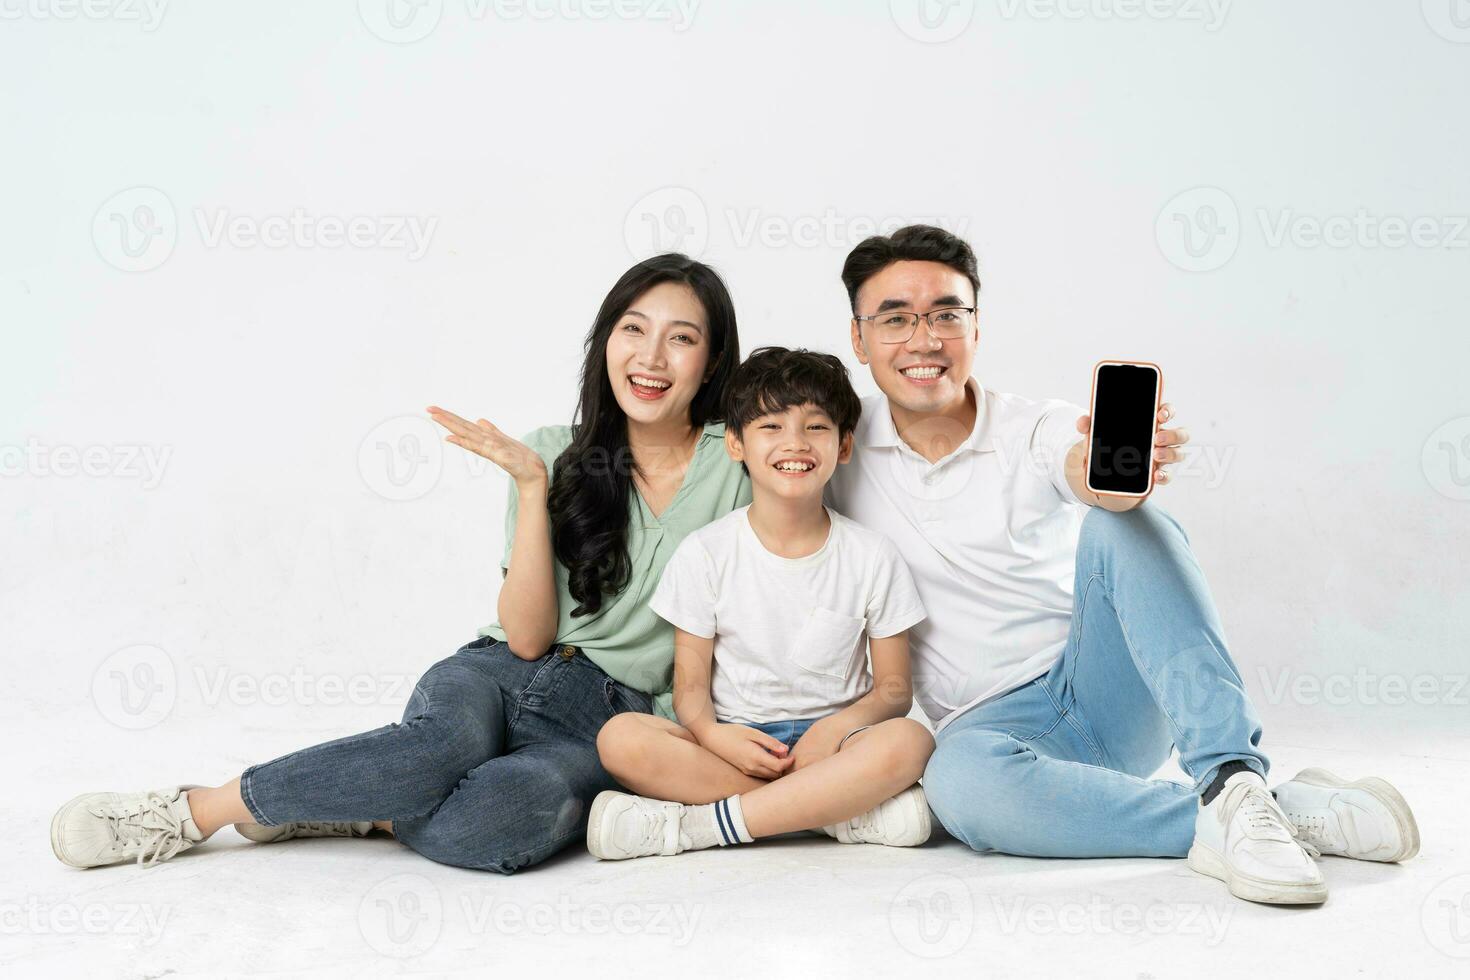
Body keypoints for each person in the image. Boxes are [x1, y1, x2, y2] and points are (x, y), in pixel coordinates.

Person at [50, 253, 752, 874]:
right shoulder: (550, 452)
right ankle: (195, 809)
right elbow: (528, 640)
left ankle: (361, 804)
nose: (651, 357)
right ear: (607, 341)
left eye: (681, 338)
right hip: (499, 669)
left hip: (611, 716)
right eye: (634, 329)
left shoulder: (744, 458)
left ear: (713, 361)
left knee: (512, 815)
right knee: (438, 747)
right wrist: (533, 487)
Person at [825, 225, 1420, 905]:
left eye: (946, 315)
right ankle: (1262, 814)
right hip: (992, 734)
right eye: (896, 319)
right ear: (859, 338)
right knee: (958, 789)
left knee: (1123, 523)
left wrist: (1105, 480)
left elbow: (1079, 464)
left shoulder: (1035, 426)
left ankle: (1229, 775)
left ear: (976, 328)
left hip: (1105, 687)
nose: (924, 340)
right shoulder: (832, 447)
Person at [586, 347, 933, 860]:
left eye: (816, 427)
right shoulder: (706, 553)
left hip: (835, 749)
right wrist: (713, 734)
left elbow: (893, 692)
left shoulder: (872, 555)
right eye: (771, 426)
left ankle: (700, 827)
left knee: (911, 741)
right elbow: (690, 689)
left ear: (843, 446)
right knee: (620, 738)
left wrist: (833, 730)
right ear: (735, 444)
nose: (795, 443)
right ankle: (829, 814)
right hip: (737, 750)